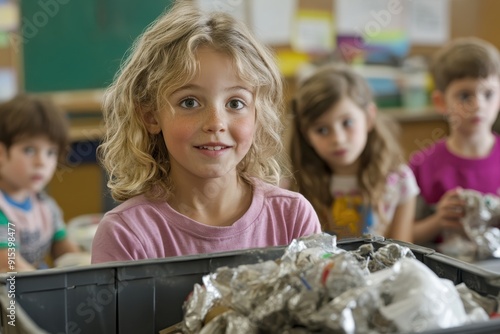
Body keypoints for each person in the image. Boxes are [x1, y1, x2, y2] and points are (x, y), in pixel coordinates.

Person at [90, 1, 321, 264]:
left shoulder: (292, 217)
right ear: (151, 116)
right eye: (189, 102)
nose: (216, 123)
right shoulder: (126, 234)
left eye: (235, 103)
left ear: (258, 114)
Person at [289, 64, 419, 243]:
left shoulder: (401, 180)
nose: (338, 139)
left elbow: (404, 251)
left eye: (347, 122)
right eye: (322, 130)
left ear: (369, 117)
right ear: (306, 135)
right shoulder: (293, 187)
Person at [409, 37, 500, 247]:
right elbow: (404, 235)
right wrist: (438, 221)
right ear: (441, 102)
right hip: (447, 275)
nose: (478, 105)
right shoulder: (422, 166)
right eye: (465, 96)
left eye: (488, 94)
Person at [0, 94, 81, 271]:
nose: (41, 162)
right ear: (1, 153)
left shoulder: (46, 206)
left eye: (50, 152)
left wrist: (83, 264)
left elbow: (65, 250)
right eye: (29, 150)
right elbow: (9, 264)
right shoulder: (3, 209)